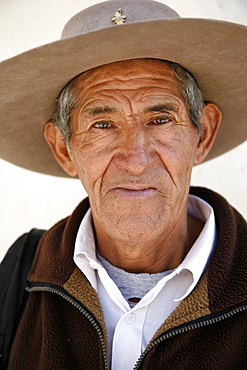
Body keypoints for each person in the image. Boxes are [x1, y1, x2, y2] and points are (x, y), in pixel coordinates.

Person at [0, 0, 246, 369]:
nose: (135, 160)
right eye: (102, 125)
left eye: (161, 119)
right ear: (63, 149)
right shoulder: (21, 273)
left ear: (203, 134)